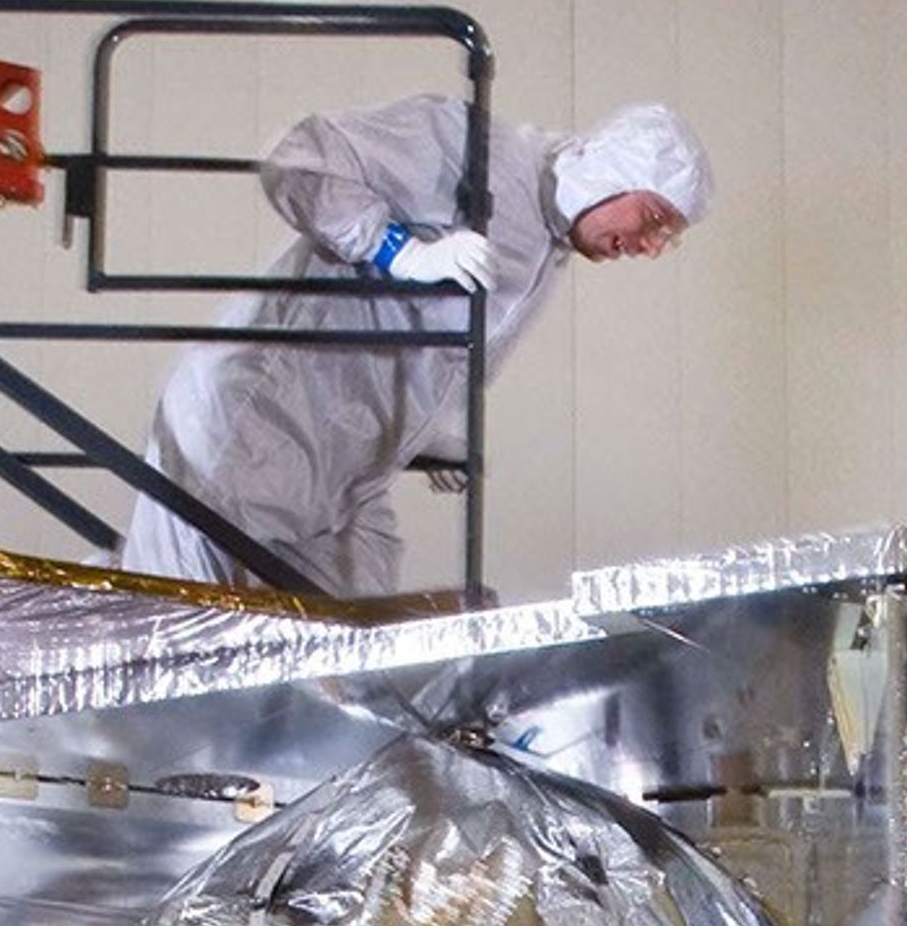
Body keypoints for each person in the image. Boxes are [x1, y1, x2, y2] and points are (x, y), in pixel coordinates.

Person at [116, 92, 714, 599]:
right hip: (251, 425)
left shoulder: (546, 244)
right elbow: (297, 160)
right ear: (613, 171)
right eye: (655, 217)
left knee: (350, 668)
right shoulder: (471, 148)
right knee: (173, 641)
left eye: (669, 238)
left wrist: (422, 436)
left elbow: (414, 347)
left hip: (338, 470)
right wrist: (398, 249)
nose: (650, 245)